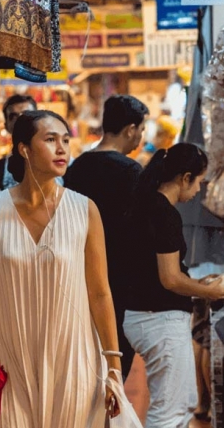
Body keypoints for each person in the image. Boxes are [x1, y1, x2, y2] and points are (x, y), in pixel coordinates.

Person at [0, 110, 123, 427]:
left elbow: (100, 293)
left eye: (65, 140)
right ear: (24, 149)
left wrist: (113, 365)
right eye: (50, 140)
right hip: (8, 364)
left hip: (74, 360)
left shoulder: (85, 210)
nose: (62, 149)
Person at [121, 143, 224, 428]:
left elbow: (157, 271)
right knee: (170, 411)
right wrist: (211, 291)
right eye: (198, 182)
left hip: (144, 316)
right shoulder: (164, 213)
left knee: (181, 402)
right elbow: (169, 279)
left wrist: (196, 283)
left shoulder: (145, 205)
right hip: (158, 320)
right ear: (184, 178)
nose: (197, 191)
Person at [64, 94, 148, 378]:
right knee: (114, 361)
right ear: (130, 130)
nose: (141, 137)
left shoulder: (76, 167)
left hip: (79, 274)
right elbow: (140, 231)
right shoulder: (131, 171)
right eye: (141, 129)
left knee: (84, 359)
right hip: (119, 281)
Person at [0, 94, 37, 192]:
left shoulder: (58, 162)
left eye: (26, 114)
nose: (19, 120)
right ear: (6, 125)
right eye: (13, 116)